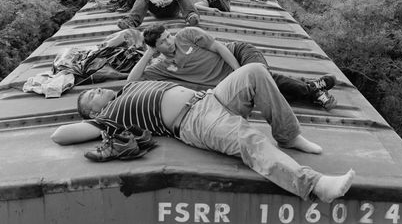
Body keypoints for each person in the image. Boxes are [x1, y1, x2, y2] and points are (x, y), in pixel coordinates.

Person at [51, 63, 355, 203]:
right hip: (192, 121)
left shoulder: (128, 87)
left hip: (210, 97)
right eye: (91, 96)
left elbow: (139, 67)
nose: (98, 90)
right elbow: (60, 135)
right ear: (92, 112)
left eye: (97, 88)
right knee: (246, 138)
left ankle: (288, 135)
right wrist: (94, 120)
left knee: (255, 71)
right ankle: (314, 185)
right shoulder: (107, 117)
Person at [128, 25, 337, 109]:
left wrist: (238, 71)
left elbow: (219, 48)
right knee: (263, 93)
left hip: (239, 54)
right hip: (231, 81)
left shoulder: (186, 35)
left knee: (259, 77)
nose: (169, 41)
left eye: (168, 35)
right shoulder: (161, 66)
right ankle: (311, 86)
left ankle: (312, 90)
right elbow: (132, 81)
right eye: (163, 42)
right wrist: (148, 53)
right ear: (155, 48)